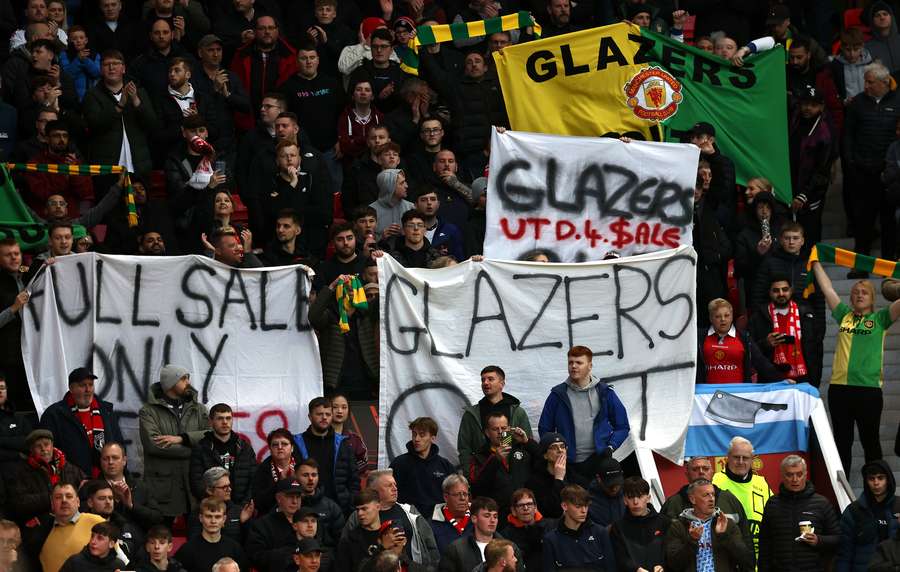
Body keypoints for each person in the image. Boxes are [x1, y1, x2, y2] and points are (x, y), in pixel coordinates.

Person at [811, 259, 900, 473]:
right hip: (840, 390)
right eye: (856, 292)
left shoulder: (881, 318)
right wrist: (815, 261)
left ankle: (878, 496)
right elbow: (827, 288)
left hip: (869, 391)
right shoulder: (844, 315)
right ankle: (842, 500)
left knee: (871, 445)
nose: (859, 295)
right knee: (842, 445)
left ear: (872, 298)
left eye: (864, 292)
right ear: (851, 297)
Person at [538, 346, 630, 480]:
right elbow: (545, 429)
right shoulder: (557, 395)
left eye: (579, 362)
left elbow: (622, 426)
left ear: (590, 366)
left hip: (598, 460)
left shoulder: (605, 392)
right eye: (570, 362)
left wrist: (610, 447)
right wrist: (555, 453)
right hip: (567, 465)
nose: (573, 366)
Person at [843, 61, 900, 263]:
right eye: (865, 82)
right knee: (863, 221)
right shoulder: (858, 103)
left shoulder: (897, 101)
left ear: (884, 83)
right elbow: (848, 135)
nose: (865, 86)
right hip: (863, 171)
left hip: (890, 173)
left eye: (870, 82)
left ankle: (888, 263)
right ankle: (861, 264)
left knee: (889, 221)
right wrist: (850, 162)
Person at [139, 364, 209, 521]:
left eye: (188, 378)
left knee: (196, 533)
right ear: (171, 382)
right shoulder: (149, 411)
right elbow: (154, 445)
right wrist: (194, 450)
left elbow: (210, 435)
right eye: (183, 378)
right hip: (163, 488)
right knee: (161, 536)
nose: (188, 382)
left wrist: (183, 438)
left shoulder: (198, 409)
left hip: (193, 486)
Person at [340, 469, 440, 567]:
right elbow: (345, 548)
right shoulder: (359, 515)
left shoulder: (410, 511)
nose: (395, 488)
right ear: (374, 491)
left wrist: (432, 568)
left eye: (395, 485)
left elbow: (430, 544)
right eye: (389, 485)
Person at [83, 49, 158, 176]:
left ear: (123, 68)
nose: (111, 67)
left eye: (116, 63)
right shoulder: (92, 95)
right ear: (101, 70)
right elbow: (94, 125)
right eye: (106, 64)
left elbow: (152, 124)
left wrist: (135, 100)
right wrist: (120, 105)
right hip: (107, 166)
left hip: (138, 164)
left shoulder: (139, 92)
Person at [757, 455, 840, 571]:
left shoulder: (822, 503)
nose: (795, 479)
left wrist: (819, 540)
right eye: (789, 475)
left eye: (799, 474)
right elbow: (765, 544)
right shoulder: (772, 504)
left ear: (806, 474)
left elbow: (838, 539)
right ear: (782, 475)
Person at [38, 367, 123, 478]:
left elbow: (119, 444)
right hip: (72, 482)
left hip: (104, 480)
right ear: (71, 388)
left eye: (91, 385)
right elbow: (48, 452)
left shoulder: (106, 411)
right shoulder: (54, 415)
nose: (88, 390)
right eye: (83, 385)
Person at [308, 271, 379, 398]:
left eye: (353, 289)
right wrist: (331, 287)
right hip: (337, 381)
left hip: (365, 380)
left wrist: (381, 264)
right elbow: (313, 316)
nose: (350, 292)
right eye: (345, 288)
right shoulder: (331, 315)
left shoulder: (366, 314)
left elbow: (385, 297)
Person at [665, 478, 754, 572]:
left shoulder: (726, 523)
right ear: (692, 499)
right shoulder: (679, 526)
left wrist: (724, 536)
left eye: (713, 494)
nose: (711, 499)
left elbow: (745, 559)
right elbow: (673, 564)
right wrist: (692, 541)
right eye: (705, 495)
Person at [661, 456, 750, 548]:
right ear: (687, 474)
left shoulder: (729, 499)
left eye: (706, 469)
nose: (701, 472)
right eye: (695, 469)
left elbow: (746, 536)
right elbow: (664, 543)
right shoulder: (673, 503)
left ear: (712, 473)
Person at [457, 365, 533, 471]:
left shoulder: (517, 412)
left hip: (513, 472)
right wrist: (469, 474)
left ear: (502, 384)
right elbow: (464, 448)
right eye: (483, 380)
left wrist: (524, 473)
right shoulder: (472, 414)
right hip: (482, 473)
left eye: (490, 379)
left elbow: (528, 443)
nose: (485, 383)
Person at [749, 276, 822, 385]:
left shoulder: (806, 314)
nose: (781, 294)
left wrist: (815, 379)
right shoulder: (758, 317)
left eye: (785, 289)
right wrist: (766, 344)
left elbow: (816, 349)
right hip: (772, 380)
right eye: (776, 290)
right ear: (769, 293)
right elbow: (750, 349)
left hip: (803, 378)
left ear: (791, 290)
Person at [228, 15, 297, 131]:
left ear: (277, 30)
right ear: (255, 31)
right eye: (262, 28)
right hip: (248, 121)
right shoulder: (241, 56)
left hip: (282, 123)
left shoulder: (290, 56)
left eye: (271, 28)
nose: (267, 32)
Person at [293, 397, 359, 514]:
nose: (324, 417)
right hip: (306, 509)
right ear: (310, 417)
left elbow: (353, 479)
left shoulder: (343, 443)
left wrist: (350, 503)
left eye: (328, 414)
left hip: (340, 509)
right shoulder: (297, 443)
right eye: (319, 414)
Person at [711, 437, 773, 560]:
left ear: (751, 460)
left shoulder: (762, 483)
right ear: (728, 457)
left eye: (745, 458)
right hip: (726, 557)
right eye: (736, 457)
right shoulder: (715, 481)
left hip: (757, 558)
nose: (740, 462)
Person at [697, 298, 782, 384]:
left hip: (739, 392)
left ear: (732, 316)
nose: (723, 319)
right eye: (717, 316)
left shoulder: (744, 337)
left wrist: (782, 381)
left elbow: (761, 363)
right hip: (706, 394)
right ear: (710, 318)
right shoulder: (699, 337)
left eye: (727, 315)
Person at [8, 429, 85, 524]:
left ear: (52, 446)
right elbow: (18, 502)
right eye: (38, 446)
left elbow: (86, 487)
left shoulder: (67, 466)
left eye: (46, 444)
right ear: (31, 450)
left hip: (72, 519)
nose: (44, 449)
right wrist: (51, 498)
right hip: (40, 523)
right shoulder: (21, 471)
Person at [25, 483, 106, 572]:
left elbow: (119, 558)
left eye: (69, 496)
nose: (64, 500)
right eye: (58, 497)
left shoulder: (95, 521)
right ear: (52, 503)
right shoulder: (43, 530)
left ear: (78, 502)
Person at [469, 413, 537, 518]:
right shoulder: (479, 457)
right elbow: (477, 489)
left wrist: (527, 442)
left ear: (510, 429)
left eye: (504, 428)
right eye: (495, 429)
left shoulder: (522, 448)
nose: (500, 432)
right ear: (487, 433)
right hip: (498, 518)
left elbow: (544, 463)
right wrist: (495, 460)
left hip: (526, 514)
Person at [837, 459, 899, 572]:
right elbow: (845, 553)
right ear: (866, 481)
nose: (876, 483)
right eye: (871, 479)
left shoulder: (898, 506)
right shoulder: (853, 511)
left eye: (881, 478)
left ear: (888, 480)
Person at [189, 402, 257, 504]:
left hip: (241, 508)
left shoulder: (244, 447)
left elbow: (254, 480)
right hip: (213, 510)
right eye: (220, 418)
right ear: (211, 422)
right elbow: (196, 482)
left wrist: (243, 506)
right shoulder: (201, 448)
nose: (225, 422)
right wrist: (214, 504)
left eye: (228, 418)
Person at [389, 417, 454, 518]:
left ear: (433, 438)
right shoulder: (399, 463)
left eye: (422, 435)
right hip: (408, 520)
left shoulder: (445, 466)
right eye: (414, 434)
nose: (416, 439)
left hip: (438, 522)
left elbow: (453, 496)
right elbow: (389, 495)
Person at [439, 496, 523, 572]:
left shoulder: (510, 548)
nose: (492, 520)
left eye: (495, 516)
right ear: (474, 519)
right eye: (487, 516)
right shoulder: (456, 549)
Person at [543, 484, 617, 570]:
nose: (584, 511)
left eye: (586, 506)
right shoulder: (551, 540)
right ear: (564, 506)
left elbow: (611, 568)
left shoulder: (600, 533)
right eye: (578, 506)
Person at [0, 238, 32, 410]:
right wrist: (14, 307)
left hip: (32, 353)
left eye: (16, 254)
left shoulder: (25, 271)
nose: (14, 258)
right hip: (8, 358)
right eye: (8, 255)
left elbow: (38, 269)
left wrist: (47, 265)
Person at [610, 477, 668, 572]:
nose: (635, 502)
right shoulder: (618, 528)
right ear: (625, 500)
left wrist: (663, 565)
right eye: (630, 497)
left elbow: (670, 552)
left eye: (640, 496)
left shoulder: (664, 522)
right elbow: (619, 557)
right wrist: (635, 569)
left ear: (648, 498)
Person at [246, 477, 303, 572]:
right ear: (278, 498)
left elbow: (326, 549)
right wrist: (290, 555)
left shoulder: (310, 520)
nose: (295, 501)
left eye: (298, 497)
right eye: (290, 496)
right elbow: (255, 556)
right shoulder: (262, 525)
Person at [175, 498, 247, 572]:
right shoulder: (187, 549)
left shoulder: (235, 548)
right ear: (201, 518)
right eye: (209, 516)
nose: (213, 521)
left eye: (217, 517)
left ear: (224, 519)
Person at [81, 480, 143, 562]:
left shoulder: (125, 527)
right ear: (90, 502)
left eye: (110, 498)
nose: (108, 502)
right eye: (102, 498)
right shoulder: (80, 526)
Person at [186, 467, 252, 543]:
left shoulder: (240, 512)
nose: (229, 490)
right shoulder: (197, 514)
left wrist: (245, 523)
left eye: (229, 486)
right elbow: (194, 543)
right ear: (209, 490)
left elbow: (248, 543)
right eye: (224, 487)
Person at [295, 458, 345, 546]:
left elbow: (340, 541)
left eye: (314, 475)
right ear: (296, 477)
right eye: (305, 475)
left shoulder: (331, 507)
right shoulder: (290, 505)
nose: (310, 479)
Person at [524, 432, 574, 519]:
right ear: (545, 455)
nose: (560, 450)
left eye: (562, 446)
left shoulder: (573, 475)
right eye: (554, 447)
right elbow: (550, 511)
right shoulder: (534, 482)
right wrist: (558, 479)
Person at [500, 488, 551, 571]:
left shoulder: (549, 527)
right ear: (513, 511)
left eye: (529, 504)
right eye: (521, 505)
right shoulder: (505, 535)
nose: (526, 508)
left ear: (535, 508)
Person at [252, 428, 301, 515]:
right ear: (270, 449)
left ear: (292, 448)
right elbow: (259, 502)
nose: (280, 447)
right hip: (271, 518)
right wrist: (279, 483)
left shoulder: (302, 466)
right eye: (275, 445)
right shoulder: (262, 470)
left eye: (284, 444)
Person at [333, 489, 383, 571]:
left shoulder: (389, 534)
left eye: (364, 509)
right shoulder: (348, 540)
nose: (359, 513)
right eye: (357, 509)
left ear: (378, 507)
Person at [429, 474, 473, 555]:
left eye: (465, 494)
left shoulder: (478, 517)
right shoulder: (432, 525)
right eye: (457, 494)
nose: (462, 498)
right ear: (446, 497)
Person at [58, 521, 125, 572]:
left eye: (100, 538)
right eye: (92, 536)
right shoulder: (75, 562)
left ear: (111, 544)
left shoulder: (118, 565)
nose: (93, 541)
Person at [0, 375, 31, 474]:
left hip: (22, 474)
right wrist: (18, 454)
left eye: (2, 388)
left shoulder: (19, 419)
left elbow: (29, 442)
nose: (0, 391)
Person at [370, 168, 413, 237]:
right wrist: (381, 237)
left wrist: (404, 233)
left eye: (405, 182)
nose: (406, 186)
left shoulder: (411, 207)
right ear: (390, 187)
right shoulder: (371, 211)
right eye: (402, 183)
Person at [587, 456, 625, 528]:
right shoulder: (587, 501)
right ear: (599, 478)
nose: (614, 489)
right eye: (609, 485)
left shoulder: (628, 494)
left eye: (617, 484)